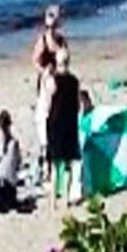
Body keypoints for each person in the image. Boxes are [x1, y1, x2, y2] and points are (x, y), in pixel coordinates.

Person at [45, 47, 80, 207]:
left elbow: (48, 104)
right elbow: (77, 105)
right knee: (67, 166)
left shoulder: (52, 81)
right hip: (70, 124)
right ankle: (65, 199)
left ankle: (53, 202)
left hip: (56, 125)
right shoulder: (74, 81)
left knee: (54, 165)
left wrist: (47, 75)